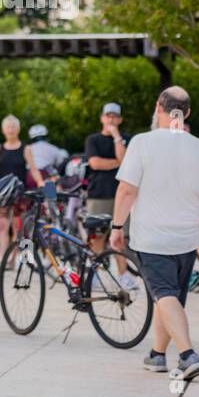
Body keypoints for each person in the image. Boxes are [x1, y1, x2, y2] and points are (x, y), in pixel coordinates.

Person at [112, 87, 199, 382]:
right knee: (170, 297)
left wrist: (116, 226)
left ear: (157, 108)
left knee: (164, 295)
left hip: (151, 237)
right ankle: (157, 354)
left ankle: (188, 354)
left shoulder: (142, 143)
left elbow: (127, 189)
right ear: (187, 113)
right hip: (187, 238)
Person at [85, 102, 132, 276]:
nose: (111, 119)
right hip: (99, 195)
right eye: (108, 115)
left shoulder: (127, 139)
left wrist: (116, 136)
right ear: (102, 118)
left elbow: (127, 160)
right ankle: (93, 276)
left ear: (120, 119)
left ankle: (123, 275)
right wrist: (119, 163)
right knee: (97, 237)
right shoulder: (93, 139)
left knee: (120, 238)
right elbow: (95, 163)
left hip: (122, 195)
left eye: (114, 116)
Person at [0, 115, 44, 261]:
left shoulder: (25, 148)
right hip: (2, 194)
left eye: (13, 126)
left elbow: (33, 168)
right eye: (8, 127)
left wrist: (40, 183)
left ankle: (11, 258)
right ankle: (3, 259)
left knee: (16, 227)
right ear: (3, 130)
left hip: (19, 193)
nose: (11, 129)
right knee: (2, 226)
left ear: (18, 129)